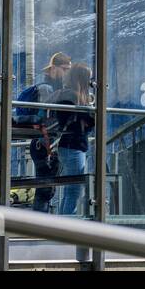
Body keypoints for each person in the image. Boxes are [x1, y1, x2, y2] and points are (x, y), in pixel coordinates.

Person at [20, 52, 71, 213]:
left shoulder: (49, 88)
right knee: (45, 190)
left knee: (46, 189)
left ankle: (40, 224)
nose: (66, 73)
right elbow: (46, 119)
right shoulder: (46, 89)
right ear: (54, 68)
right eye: (64, 69)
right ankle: (39, 225)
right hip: (45, 144)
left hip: (44, 143)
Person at [51, 63, 94, 216]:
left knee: (70, 189)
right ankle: (67, 226)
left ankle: (63, 224)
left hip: (66, 146)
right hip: (74, 146)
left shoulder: (65, 95)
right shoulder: (75, 97)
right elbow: (88, 122)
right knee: (74, 190)